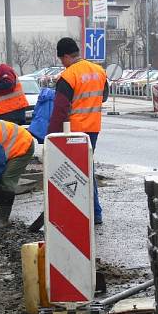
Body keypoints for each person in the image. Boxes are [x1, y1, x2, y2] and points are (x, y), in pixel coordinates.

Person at [47, 37, 107, 225]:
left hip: (73, 131)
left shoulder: (68, 76)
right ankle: (93, 212)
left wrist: (50, 136)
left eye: (61, 60)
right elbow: (103, 97)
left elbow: (60, 110)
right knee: (87, 169)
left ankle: (81, 212)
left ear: (66, 56)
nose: (62, 64)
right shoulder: (99, 71)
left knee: (73, 172)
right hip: (93, 128)